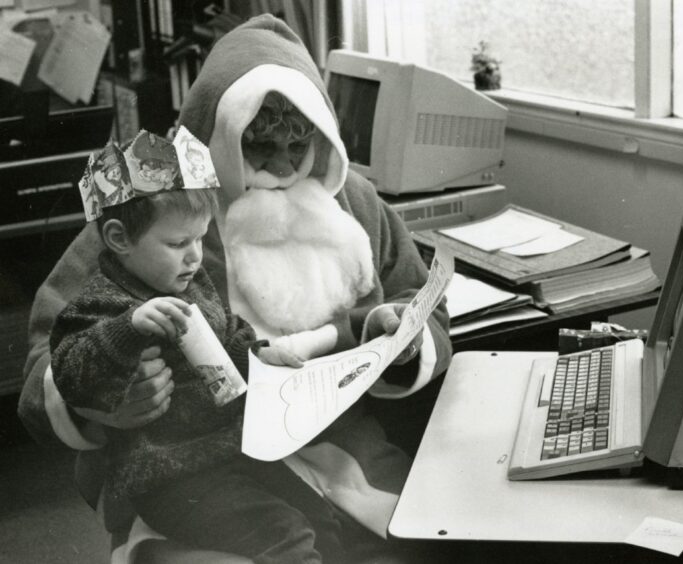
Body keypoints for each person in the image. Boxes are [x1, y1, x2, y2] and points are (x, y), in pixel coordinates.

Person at [18, 13, 452, 564]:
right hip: (188, 460)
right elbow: (46, 357)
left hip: (343, 446)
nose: (279, 165)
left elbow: (425, 308)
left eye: (298, 146)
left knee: (430, 541)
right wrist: (104, 401)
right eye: (257, 146)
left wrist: (396, 334)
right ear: (216, 134)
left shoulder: (356, 203)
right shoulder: (161, 208)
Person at [52, 129, 349, 563]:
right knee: (284, 537)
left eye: (199, 239)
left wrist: (258, 352)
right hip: (169, 475)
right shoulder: (102, 303)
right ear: (119, 239)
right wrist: (127, 328)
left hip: (233, 450)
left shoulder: (189, 280)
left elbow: (227, 334)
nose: (194, 256)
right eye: (177, 244)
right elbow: (71, 372)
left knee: (320, 519)